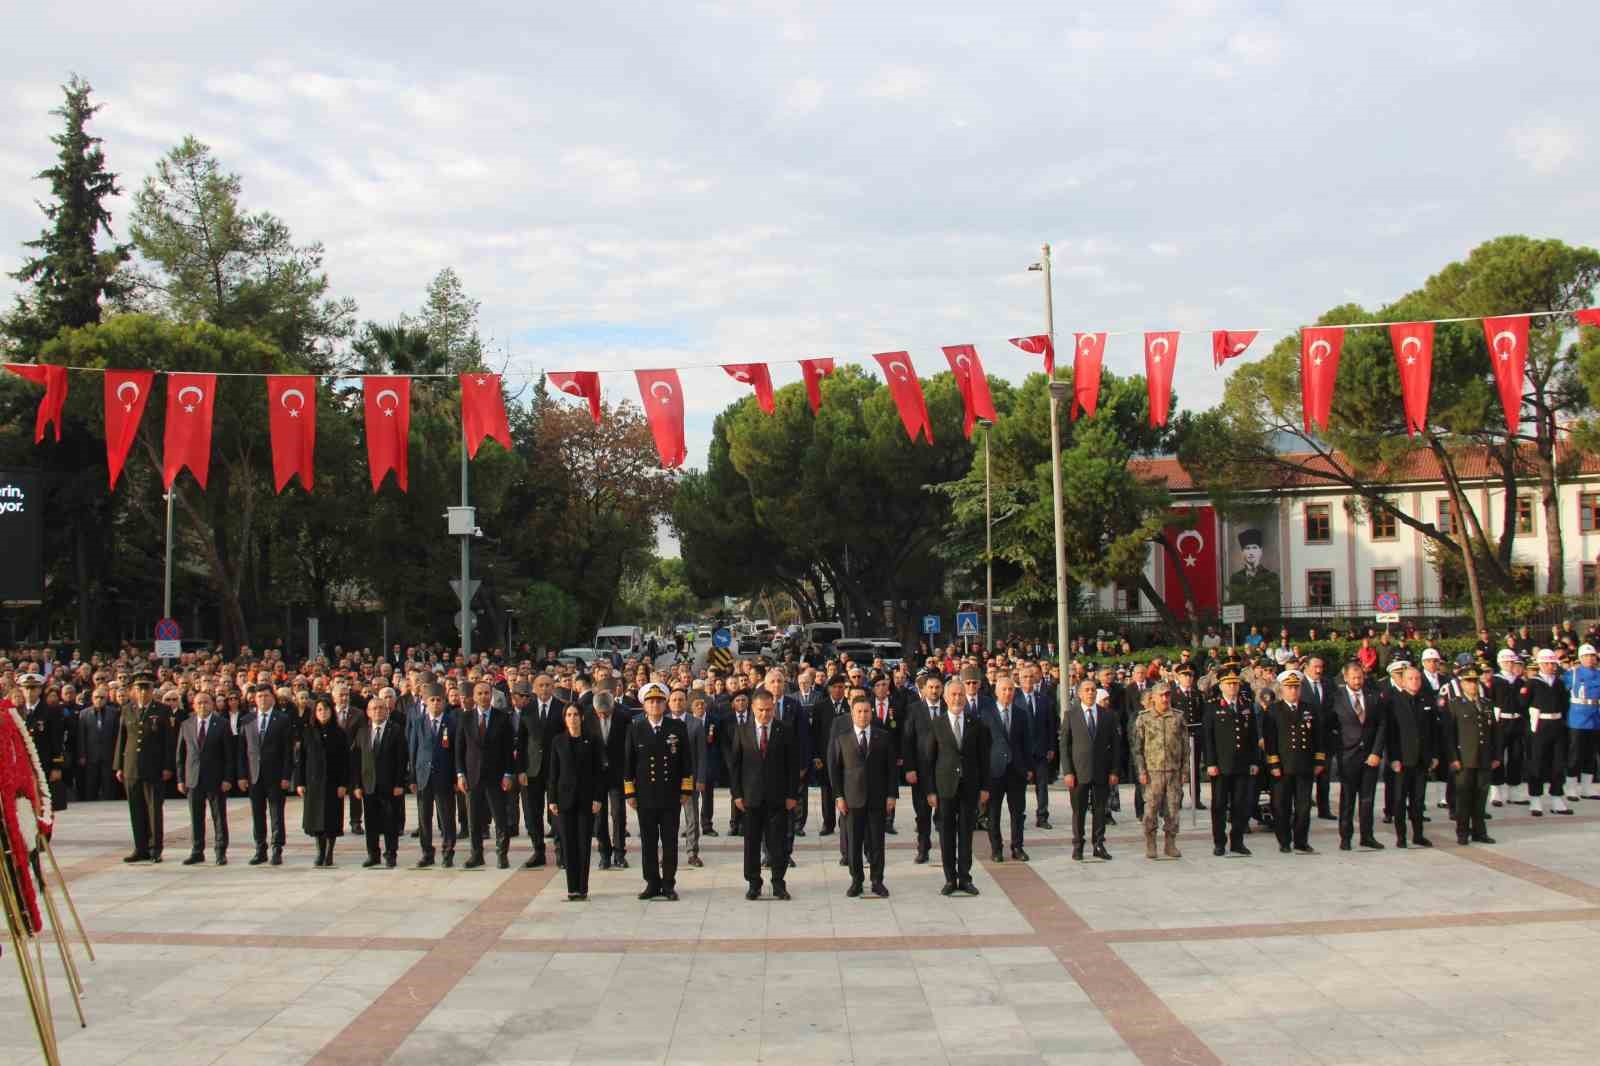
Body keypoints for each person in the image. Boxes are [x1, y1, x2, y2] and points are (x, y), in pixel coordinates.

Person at [624, 681, 693, 901]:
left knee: (670, 841)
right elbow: (628, 763)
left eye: (659, 701)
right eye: (651, 701)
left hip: (671, 795)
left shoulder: (677, 728)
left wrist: (686, 790)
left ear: (665, 705)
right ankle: (652, 883)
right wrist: (630, 793)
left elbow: (686, 761)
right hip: (645, 796)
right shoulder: (635, 728)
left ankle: (669, 883)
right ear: (644, 705)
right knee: (649, 841)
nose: (655, 705)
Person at [729, 688, 801, 900]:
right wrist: (737, 794)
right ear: (752, 708)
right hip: (750, 798)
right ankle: (754, 883)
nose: (765, 714)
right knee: (751, 844)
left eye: (769, 710)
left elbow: (792, 765)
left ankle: (778, 883)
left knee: (777, 844)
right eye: (761, 710)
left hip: (777, 798)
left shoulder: (784, 729)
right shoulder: (742, 730)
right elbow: (735, 766)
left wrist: (792, 795)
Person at [924, 676, 991, 895]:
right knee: (946, 833)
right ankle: (950, 878)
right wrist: (930, 790)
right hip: (944, 787)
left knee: (966, 833)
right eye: (953, 694)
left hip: (969, 787)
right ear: (945, 697)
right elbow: (929, 760)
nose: (957, 698)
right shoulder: (936, 725)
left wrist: (984, 788)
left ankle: (965, 877)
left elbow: (984, 759)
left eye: (961, 694)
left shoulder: (976, 724)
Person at [828, 692, 897, 898]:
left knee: (877, 843)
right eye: (859, 711)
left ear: (872, 712)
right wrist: (838, 796)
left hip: (877, 798)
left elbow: (891, 769)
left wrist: (891, 795)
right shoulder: (842, 738)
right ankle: (856, 880)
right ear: (852, 713)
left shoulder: (883, 736)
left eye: (867, 711)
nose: (863, 715)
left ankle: (877, 881)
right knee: (854, 843)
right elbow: (835, 769)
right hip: (851, 798)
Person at [114, 671, 174, 863]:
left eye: (146, 688)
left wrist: (167, 766)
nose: (142, 692)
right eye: (139, 688)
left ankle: (155, 848)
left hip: (154, 767)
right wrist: (119, 766)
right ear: (133, 690)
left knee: (153, 809)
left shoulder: (162, 710)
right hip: (131, 766)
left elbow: (168, 742)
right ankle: (140, 848)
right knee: (136, 808)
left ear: (152, 690)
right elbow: (122, 739)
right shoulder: (127, 709)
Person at [1261, 670, 1324, 854]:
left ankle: (1301, 840)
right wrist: (1273, 763)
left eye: (1296, 687)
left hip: (1304, 764)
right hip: (1283, 766)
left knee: (1303, 807)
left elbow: (1319, 737)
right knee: (1282, 806)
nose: (1293, 691)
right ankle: (1284, 840)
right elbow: (1270, 739)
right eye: (1289, 687)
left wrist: (1319, 760)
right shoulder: (1274, 710)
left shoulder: (1309, 709)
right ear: (1281, 689)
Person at [547, 703, 604, 900]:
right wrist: (552, 799)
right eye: (569, 715)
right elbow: (553, 772)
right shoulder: (558, 741)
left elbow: (598, 772)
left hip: (586, 800)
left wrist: (598, 797)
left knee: (583, 845)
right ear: (565, 718)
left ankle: (582, 888)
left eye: (576, 714)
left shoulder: (592, 740)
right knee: (568, 844)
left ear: (582, 717)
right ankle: (572, 888)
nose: (572, 718)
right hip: (564, 800)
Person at [1060, 678, 1120, 862]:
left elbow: (1116, 746)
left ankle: (1099, 844)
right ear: (1079, 694)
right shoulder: (1071, 715)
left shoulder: (1108, 715)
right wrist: (1068, 771)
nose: (1091, 693)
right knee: (1079, 811)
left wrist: (1114, 771)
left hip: (1102, 771)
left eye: (1093, 689)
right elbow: (1064, 745)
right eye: (1086, 690)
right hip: (1079, 772)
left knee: (1100, 809)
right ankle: (1078, 845)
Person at [457, 679, 515, 869]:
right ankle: (476, 854)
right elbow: (459, 750)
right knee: (474, 819)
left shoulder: (503, 717)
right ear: (473, 697)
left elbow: (508, 749)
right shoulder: (465, 718)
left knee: (500, 818)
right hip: (472, 777)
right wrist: (460, 774)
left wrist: (508, 773)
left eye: (486, 693)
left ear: (492, 695)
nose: (483, 697)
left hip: (496, 776)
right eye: (479, 693)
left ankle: (502, 854)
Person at [1201, 663, 1257, 856]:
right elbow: (1208, 739)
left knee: (1241, 805)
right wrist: (1210, 763)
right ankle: (1219, 842)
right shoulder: (1212, 708)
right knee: (1218, 805)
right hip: (1221, 766)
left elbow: (1252, 737)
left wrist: (1254, 762)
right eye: (1229, 683)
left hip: (1242, 765)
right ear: (1221, 686)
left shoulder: (1247, 707)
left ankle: (1237, 841)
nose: (1233, 687)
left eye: (1235, 683)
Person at [1328, 661, 1385, 851]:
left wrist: (1376, 752)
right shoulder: (1336, 698)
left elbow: (1381, 726)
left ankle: (1367, 836)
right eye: (1353, 677)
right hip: (1347, 756)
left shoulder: (1374, 697)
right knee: (1347, 799)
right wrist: (1338, 750)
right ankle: (1345, 837)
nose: (1357, 681)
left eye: (1360, 677)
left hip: (1369, 756)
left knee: (1367, 799)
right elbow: (1331, 727)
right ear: (1345, 678)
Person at [1441, 670, 1500, 846]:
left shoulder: (1486, 703)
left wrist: (1496, 755)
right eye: (1468, 682)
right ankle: (1462, 832)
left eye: (1475, 681)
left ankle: (1479, 832)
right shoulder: (1455, 704)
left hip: (1484, 758)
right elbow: (1449, 735)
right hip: (1465, 758)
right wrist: (1453, 758)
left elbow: (1495, 731)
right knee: (1463, 797)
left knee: (1481, 796)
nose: (1473, 685)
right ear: (1462, 684)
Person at [175, 690, 234, 866]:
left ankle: (220, 851)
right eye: (199, 703)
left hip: (215, 779)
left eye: (206, 702)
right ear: (193, 705)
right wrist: (180, 779)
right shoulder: (186, 724)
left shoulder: (222, 724)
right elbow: (180, 754)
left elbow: (229, 755)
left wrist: (227, 778)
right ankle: (197, 850)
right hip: (193, 778)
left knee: (219, 817)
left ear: (212, 704)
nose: (202, 706)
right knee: (195, 817)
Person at [239, 683, 294, 866]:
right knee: (257, 813)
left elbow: (288, 751)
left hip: (276, 775)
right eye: (259, 696)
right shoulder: (247, 720)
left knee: (276, 813)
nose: (263, 699)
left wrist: (287, 776)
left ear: (273, 698)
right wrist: (242, 776)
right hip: (254, 774)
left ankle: (277, 848)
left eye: (266, 696)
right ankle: (260, 848)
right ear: (254, 699)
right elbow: (242, 750)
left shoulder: (282, 719)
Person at [1132, 682, 1188, 860]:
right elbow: (1137, 748)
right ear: (1153, 698)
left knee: (1173, 809)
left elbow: (1186, 746)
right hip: (1153, 772)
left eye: (1168, 695)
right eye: (1162, 695)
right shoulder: (1144, 718)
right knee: (1151, 809)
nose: (1165, 698)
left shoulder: (1178, 717)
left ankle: (1170, 843)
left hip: (1173, 771)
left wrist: (1185, 769)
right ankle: (1151, 842)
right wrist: (1141, 770)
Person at [980, 673, 1032, 862]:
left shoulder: (1020, 713)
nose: (1008, 693)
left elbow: (1027, 743)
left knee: (1017, 813)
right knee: (993, 812)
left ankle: (1017, 847)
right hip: (995, 771)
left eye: (1011, 689)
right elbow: (983, 745)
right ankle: (996, 849)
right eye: (1004, 689)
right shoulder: (986, 713)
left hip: (1017, 770)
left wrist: (1028, 767)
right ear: (996, 692)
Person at [353, 692, 409, 868]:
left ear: (387, 711)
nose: (378, 711)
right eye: (374, 708)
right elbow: (355, 759)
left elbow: (402, 759)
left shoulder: (396, 731)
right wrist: (356, 785)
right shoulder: (362, 732)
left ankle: (390, 854)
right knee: (371, 822)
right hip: (369, 785)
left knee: (390, 822)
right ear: (368, 712)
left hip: (390, 785)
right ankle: (373, 854)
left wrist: (400, 783)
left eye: (381, 708)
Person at [1386, 666, 1437, 848]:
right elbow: (1391, 734)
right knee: (1399, 800)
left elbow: (1432, 731)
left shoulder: (1426, 700)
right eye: (1410, 678)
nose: (1415, 682)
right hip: (1402, 759)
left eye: (1417, 678)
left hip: (1422, 759)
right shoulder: (1394, 702)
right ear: (1403, 681)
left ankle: (1418, 835)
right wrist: (1393, 758)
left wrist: (1434, 755)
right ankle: (1401, 836)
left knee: (1418, 800)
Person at [296, 696, 350, 867]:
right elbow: (301, 759)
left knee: (331, 819)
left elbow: (345, 761)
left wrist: (343, 784)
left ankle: (329, 853)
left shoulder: (340, 732)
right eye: (319, 709)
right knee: (317, 820)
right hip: (314, 782)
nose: (323, 712)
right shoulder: (308, 732)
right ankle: (320, 851)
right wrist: (300, 782)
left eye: (326, 709)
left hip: (333, 783)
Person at [408, 683, 458, 868]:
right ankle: (427, 852)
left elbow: (456, 752)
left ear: (444, 702)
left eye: (439, 700)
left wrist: (455, 777)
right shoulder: (419, 722)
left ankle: (448, 851)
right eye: (432, 700)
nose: (436, 703)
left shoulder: (451, 722)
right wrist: (412, 777)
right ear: (425, 701)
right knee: (424, 818)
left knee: (446, 817)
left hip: (444, 777)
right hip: (423, 776)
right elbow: (413, 750)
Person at [514, 677, 562, 868]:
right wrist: (521, 770)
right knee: (532, 813)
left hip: (554, 769)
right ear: (534, 688)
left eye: (548, 685)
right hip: (532, 769)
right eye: (540, 685)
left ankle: (561, 852)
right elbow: (522, 742)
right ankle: (538, 851)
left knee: (557, 812)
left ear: (553, 687)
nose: (544, 688)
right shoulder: (527, 709)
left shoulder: (561, 707)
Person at [902, 672, 946, 866]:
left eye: (937, 687)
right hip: (920, 770)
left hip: (944, 770)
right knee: (922, 813)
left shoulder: (949, 707)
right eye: (931, 687)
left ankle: (947, 848)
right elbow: (907, 740)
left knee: (944, 812)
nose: (934, 691)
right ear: (924, 689)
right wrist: (909, 768)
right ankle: (923, 848)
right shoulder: (914, 709)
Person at [587, 684, 631, 870]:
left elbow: (628, 747)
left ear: (612, 708)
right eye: (600, 714)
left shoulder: (624, 715)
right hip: (596, 774)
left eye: (606, 713)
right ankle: (604, 853)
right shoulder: (588, 715)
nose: (603, 717)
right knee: (599, 815)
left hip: (617, 772)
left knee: (618, 812)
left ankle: (620, 853)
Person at [1525, 648, 1571, 817]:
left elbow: (1565, 704)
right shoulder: (1532, 683)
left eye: (1553, 663)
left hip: (1557, 725)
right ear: (1541, 664)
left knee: (1558, 762)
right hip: (1540, 725)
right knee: (1537, 762)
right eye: (1548, 663)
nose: (1552, 666)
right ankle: (1535, 799)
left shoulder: (1559, 683)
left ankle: (1557, 797)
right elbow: (1523, 704)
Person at [1017, 663, 1057, 829]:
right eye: (1025, 677)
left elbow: (1051, 725)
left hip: (1041, 749)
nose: (1028, 679)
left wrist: (1051, 747)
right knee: (1020, 786)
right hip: (1021, 751)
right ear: (1019, 680)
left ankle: (1042, 816)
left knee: (1042, 785)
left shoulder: (1044, 699)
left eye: (1031, 676)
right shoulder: (1014, 699)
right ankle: (1019, 816)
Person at [1489, 649, 1531, 807]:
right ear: (1500, 663)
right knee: (1498, 756)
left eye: (1511, 662)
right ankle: (1496, 790)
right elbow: (1490, 701)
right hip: (1501, 722)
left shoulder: (1520, 682)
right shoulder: (1495, 681)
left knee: (1516, 756)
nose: (1509, 664)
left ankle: (1514, 790)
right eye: (1506, 662)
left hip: (1517, 722)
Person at [675, 689, 707, 868]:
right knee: (669, 818)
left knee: (692, 817)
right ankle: (669, 852)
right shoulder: (664, 722)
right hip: (669, 779)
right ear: (669, 703)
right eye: (674, 700)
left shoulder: (695, 724)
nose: (678, 703)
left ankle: (692, 852)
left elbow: (702, 754)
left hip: (690, 778)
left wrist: (701, 778)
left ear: (685, 702)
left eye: (681, 700)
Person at [1566, 644, 1600, 799]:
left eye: (1592, 655)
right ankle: (1571, 788)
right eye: (1586, 656)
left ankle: (1587, 788)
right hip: (1577, 719)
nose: (1590, 658)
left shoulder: (1599, 673)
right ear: (1580, 658)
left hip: (1595, 718)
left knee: (1590, 755)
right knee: (1575, 754)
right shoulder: (1572, 674)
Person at [1227, 528, 1281, 622]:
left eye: (1254, 547)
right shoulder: (1235, 578)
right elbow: (1233, 603)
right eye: (1247, 548)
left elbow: (1275, 604)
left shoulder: (1271, 576)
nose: (1251, 552)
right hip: (1243, 622)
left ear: (1261, 551)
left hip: (1265, 621)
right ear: (1242, 552)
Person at [78, 684, 120, 802]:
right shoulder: (84, 714)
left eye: (102, 697)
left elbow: (117, 735)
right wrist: (82, 755)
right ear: (92, 698)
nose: (99, 700)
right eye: (96, 697)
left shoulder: (114, 713)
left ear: (106, 699)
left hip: (108, 754)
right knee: (91, 784)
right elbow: (81, 736)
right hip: (91, 755)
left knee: (108, 784)